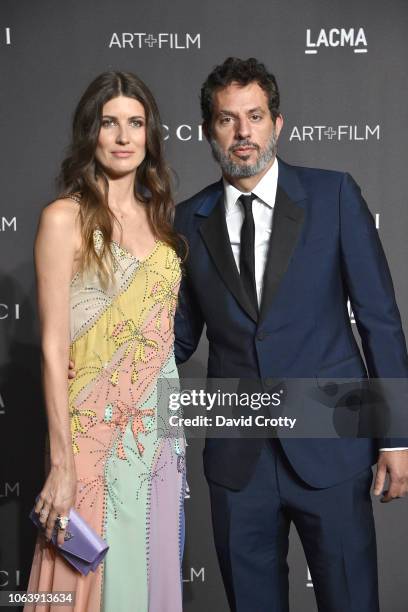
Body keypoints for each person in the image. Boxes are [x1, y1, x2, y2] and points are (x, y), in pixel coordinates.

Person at [173, 57, 408, 611]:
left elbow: (379, 320)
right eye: (228, 119)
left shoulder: (334, 197)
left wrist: (397, 436)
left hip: (332, 446)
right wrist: (101, 367)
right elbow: (177, 337)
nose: (243, 132)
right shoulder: (186, 220)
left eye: (254, 116)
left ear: (277, 123)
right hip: (238, 460)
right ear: (210, 130)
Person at [26, 71, 185, 612]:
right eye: (109, 123)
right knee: (86, 587)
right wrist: (61, 462)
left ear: (149, 134)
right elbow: (52, 348)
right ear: (90, 133)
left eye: (135, 123)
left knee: (150, 580)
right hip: (90, 446)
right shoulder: (62, 220)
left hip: (159, 445)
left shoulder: (162, 226)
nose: (123, 136)